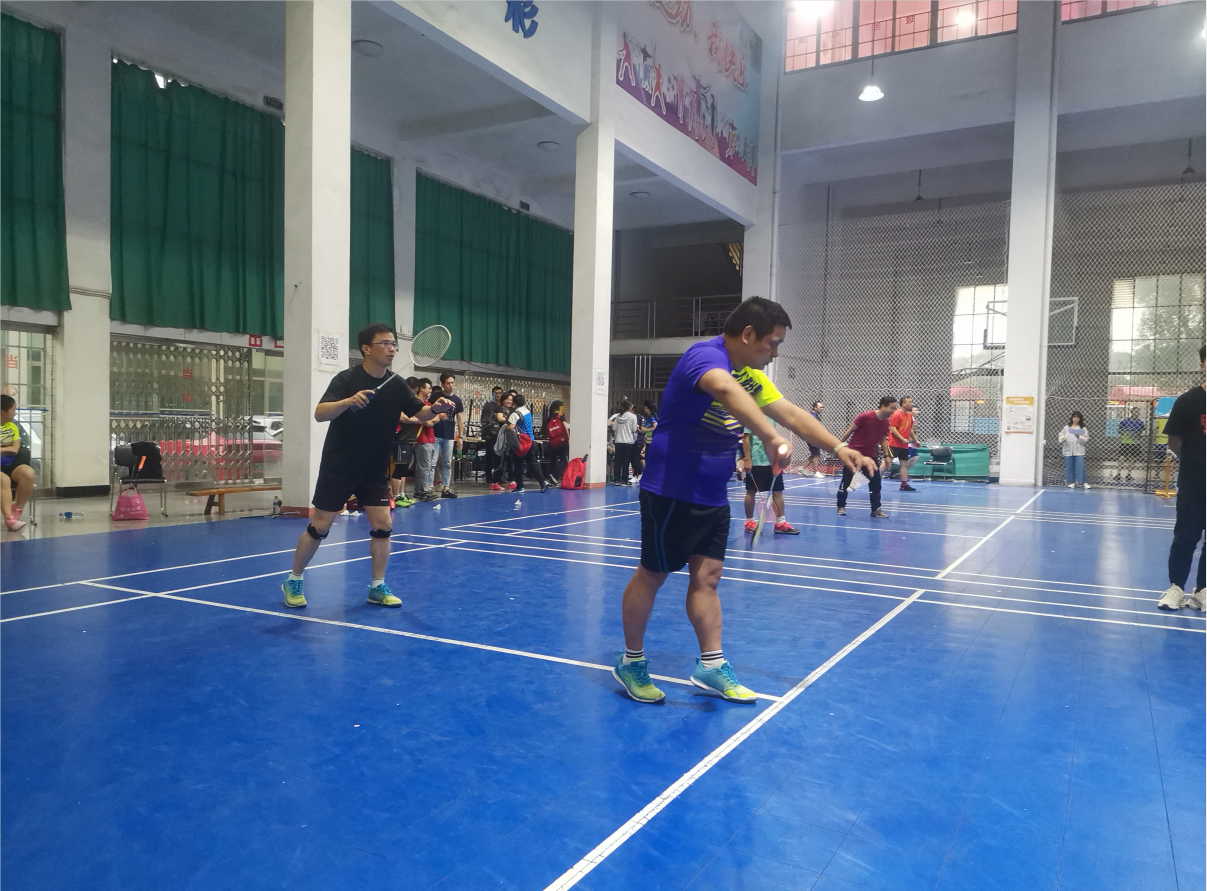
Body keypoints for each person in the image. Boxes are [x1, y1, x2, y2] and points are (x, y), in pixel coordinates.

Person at [612, 297, 875, 705]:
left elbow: (792, 414)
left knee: (708, 578)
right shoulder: (705, 356)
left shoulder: (751, 376)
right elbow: (723, 389)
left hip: (712, 493)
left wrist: (839, 447)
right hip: (671, 490)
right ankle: (631, 662)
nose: (775, 354)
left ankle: (711, 666)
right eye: (773, 343)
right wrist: (769, 436)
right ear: (749, 334)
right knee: (652, 575)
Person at [280, 323, 455, 609]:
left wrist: (435, 408)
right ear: (366, 348)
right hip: (339, 465)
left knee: (384, 525)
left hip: (374, 468)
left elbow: (420, 412)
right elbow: (320, 413)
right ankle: (294, 579)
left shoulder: (396, 383)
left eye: (393, 343)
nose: (392, 348)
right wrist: (348, 401)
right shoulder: (347, 378)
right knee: (320, 526)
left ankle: (377, 586)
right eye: (385, 343)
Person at [1158, 345, 1205, 611]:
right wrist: (1194, 461)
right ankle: (1176, 588)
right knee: (1186, 536)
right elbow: (1174, 440)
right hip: (1193, 483)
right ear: (1203, 365)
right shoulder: (1188, 401)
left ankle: (1202, 591)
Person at [836, 397, 897, 518]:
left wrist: (887, 456)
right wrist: (838, 447)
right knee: (846, 481)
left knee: (876, 482)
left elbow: (883, 440)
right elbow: (849, 430)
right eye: (892, 408)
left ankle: (876, 509)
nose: (894, 411)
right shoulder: (865, 416)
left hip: (871, 456)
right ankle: (841, 506)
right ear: (883, 406)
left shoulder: (886, 422)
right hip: (854, 454)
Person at [741, 422, 798, 535]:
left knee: (778, 491)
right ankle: (749, 522)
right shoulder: (752, 416)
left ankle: (780, 523)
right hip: (757, 460)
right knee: (751, 491)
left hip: (772, 461)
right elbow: (746, 438)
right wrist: (747, 459)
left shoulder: (771, 417)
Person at [0, 395, 34, 532]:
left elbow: (15, 449)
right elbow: (11, 448)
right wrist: (6, 449)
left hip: (11, 464)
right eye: (13, 410)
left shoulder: (13, 427)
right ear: (3, 412)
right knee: (4, 480)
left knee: (28, 473)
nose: (15, 413)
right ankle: (9, 519)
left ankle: (17, 509)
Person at [507, 393, 549, 492]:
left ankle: (520, 486)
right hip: (531, 441)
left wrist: (505, 427)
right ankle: (542, 482)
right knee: (533, 463)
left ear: (514, 403)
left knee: (518, 464)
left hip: (522, 443)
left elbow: (510, 427)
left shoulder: (515, 414)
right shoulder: (527, 411)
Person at [389, 382, 422, 508]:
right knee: (399, 467)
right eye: (414, 390)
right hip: (400, 439)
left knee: (404, 469)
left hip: (409, 439)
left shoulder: (409, 403)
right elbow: (402, 417)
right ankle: (396, 496)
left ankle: (402, 494)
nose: (414, 393)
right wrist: (417, 419)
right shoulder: (399, 401)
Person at [431, 372, 463, 499]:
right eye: (448, 383)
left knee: (447, 463)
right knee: (432, 462)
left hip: (449, 435)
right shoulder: (435, 397)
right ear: (443, 384)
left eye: (453, 383)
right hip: (435, 433)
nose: (451, 385)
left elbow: (460, 419)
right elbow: (428, 410)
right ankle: (429, 487)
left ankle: (446, 488)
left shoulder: (457, 400)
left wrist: (460, 436)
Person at [411, 378, 441, 502]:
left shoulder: (428, 404)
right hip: (421, 439)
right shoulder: (416, 404)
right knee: (424, 466)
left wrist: (430, 420)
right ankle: (422, 491)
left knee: (427, 466)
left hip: (430, 438)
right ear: (422, 388)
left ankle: (421, 490)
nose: (430, 391)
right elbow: (425, 420)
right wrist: (427, 420)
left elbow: (437, 417)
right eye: (429, 388)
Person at [888, 395, 920, 492]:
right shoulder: (897, 414)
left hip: (904, 445)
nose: (911, 404)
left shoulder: (909, 415)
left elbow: (910, 429)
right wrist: (902, 439)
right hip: (894, 443)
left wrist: (915, 440)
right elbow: (892, 428)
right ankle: (875, 481)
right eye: (909, 402)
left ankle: (903, 484)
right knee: (887, 463)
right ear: (903, 404)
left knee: (904, 464)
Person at [480, 386, 506, 491]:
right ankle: (489, 477)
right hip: (490, 435)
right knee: (490, 456)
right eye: (496, 393)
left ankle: (500, 477)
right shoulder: (489, 406)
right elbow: (485, 420)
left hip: (502, 435)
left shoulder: (503, 406)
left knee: (500, 457)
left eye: (500, 393)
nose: (498, 395)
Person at [608, 401, 640, 485]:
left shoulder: (618, 417)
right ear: (629, 407)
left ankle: (616, 480)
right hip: (628, 442)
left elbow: (614, 428)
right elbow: (634, 429)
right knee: (626, 461)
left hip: (618, 441)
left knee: (618, 461)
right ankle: (624, 480)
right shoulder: (633, 417)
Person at [1059, 411, 1090, 489]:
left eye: (1077, 417)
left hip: (1079, 451)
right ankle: (1071, 482)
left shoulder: (1083, 428)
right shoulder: (1066, 428)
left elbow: (1086, 439)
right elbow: (1061, 435)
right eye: (1074, 417)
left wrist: (1078, 436)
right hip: (1068, 451)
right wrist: (1062, 438)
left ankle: (1083, 482)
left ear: (1080, 419)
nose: (1076, 419)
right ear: (1072, 418)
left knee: (1080, 467)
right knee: (1069, 467)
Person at [1117, 408, 1145, 482]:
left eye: (1137, 412)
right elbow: (1119, 430)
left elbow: (1141, 432)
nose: (1136, 413)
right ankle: (1118, 474)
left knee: (1133, 459)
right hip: (1125, 442)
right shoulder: (1125, 421)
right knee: (1122, 458)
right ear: (1131, 412)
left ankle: (1129, 474)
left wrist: (1135, 434)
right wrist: (1126, 432)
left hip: (1135, 443)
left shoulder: (1140, 422)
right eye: (1135, 412)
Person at [545, 400, 570, 482]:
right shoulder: (561, 415)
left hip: (552, 443)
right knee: (564, 461)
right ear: (560, 407)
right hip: (562, 441)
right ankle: (555, 476)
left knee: (553, 460)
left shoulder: (549, 417)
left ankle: (550, 476)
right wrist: (568, 438)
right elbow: (565, 427)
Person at [635, 400, 658, 480]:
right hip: (647, 441)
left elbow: (655, 427)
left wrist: (646, 429)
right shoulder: (648, 418)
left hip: (652, 442)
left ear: (646, 408)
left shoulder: (652, 417)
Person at [803, 401, 825, 478]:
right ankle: (816, 472)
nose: (822, 409)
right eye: (820, 407)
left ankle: (803, 468)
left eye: (822, 407)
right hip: (812, 438)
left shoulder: (814, 415)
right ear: (815, 407)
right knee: (816, 455)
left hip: (812, 437)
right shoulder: (812, 416)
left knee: (814, 454)